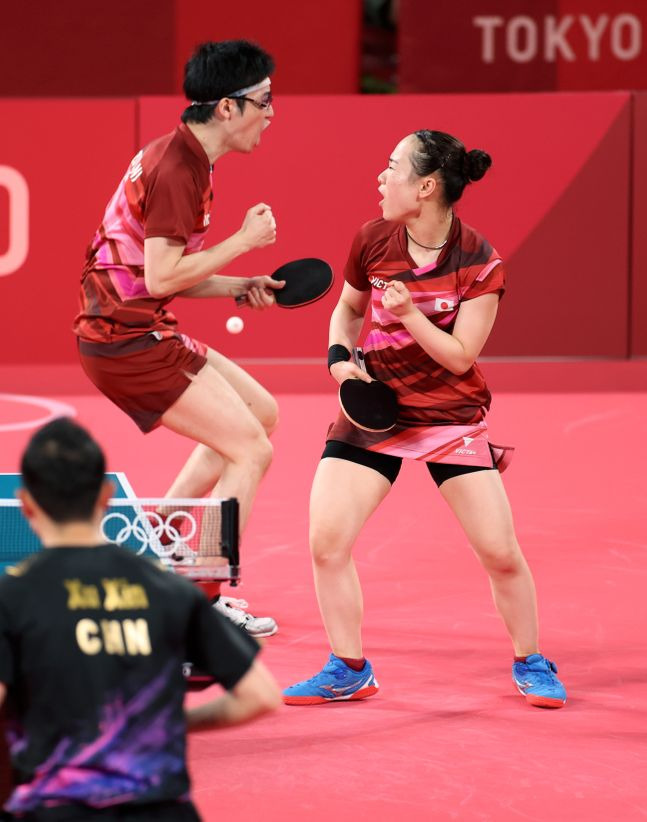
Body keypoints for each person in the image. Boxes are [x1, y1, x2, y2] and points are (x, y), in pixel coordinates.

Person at [283, 130, 567, 709]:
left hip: (448, 415)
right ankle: (349, 666)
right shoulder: (372, 239)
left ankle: (531, 659)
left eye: (392, 168)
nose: (381, 179)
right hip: (376, 409)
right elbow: (347, 311)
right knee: (326, 541)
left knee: (500, 551)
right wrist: (341, 362)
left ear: (427, 186)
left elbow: (461, 356)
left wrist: (410, 315)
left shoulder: (479, 262)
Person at [73, 40, 282, 637]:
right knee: (251, 450)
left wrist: (240, 284)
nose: (271, 113)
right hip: (124, 340)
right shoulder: (178, 169)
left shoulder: (185, 155)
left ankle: (152, 545)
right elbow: (163, 276)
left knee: (258, 415)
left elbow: (162, 274)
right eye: (263, 102)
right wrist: (243, 241)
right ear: (226, 108)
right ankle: (199, 598)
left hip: (141, 325)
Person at [0, 418, 281, 821]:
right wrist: (173, 721)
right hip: (162, 809)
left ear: (25, 504)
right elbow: (262, 696)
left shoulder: (14, 595)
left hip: (57, 807)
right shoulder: (169, 588)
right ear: (106, 496)